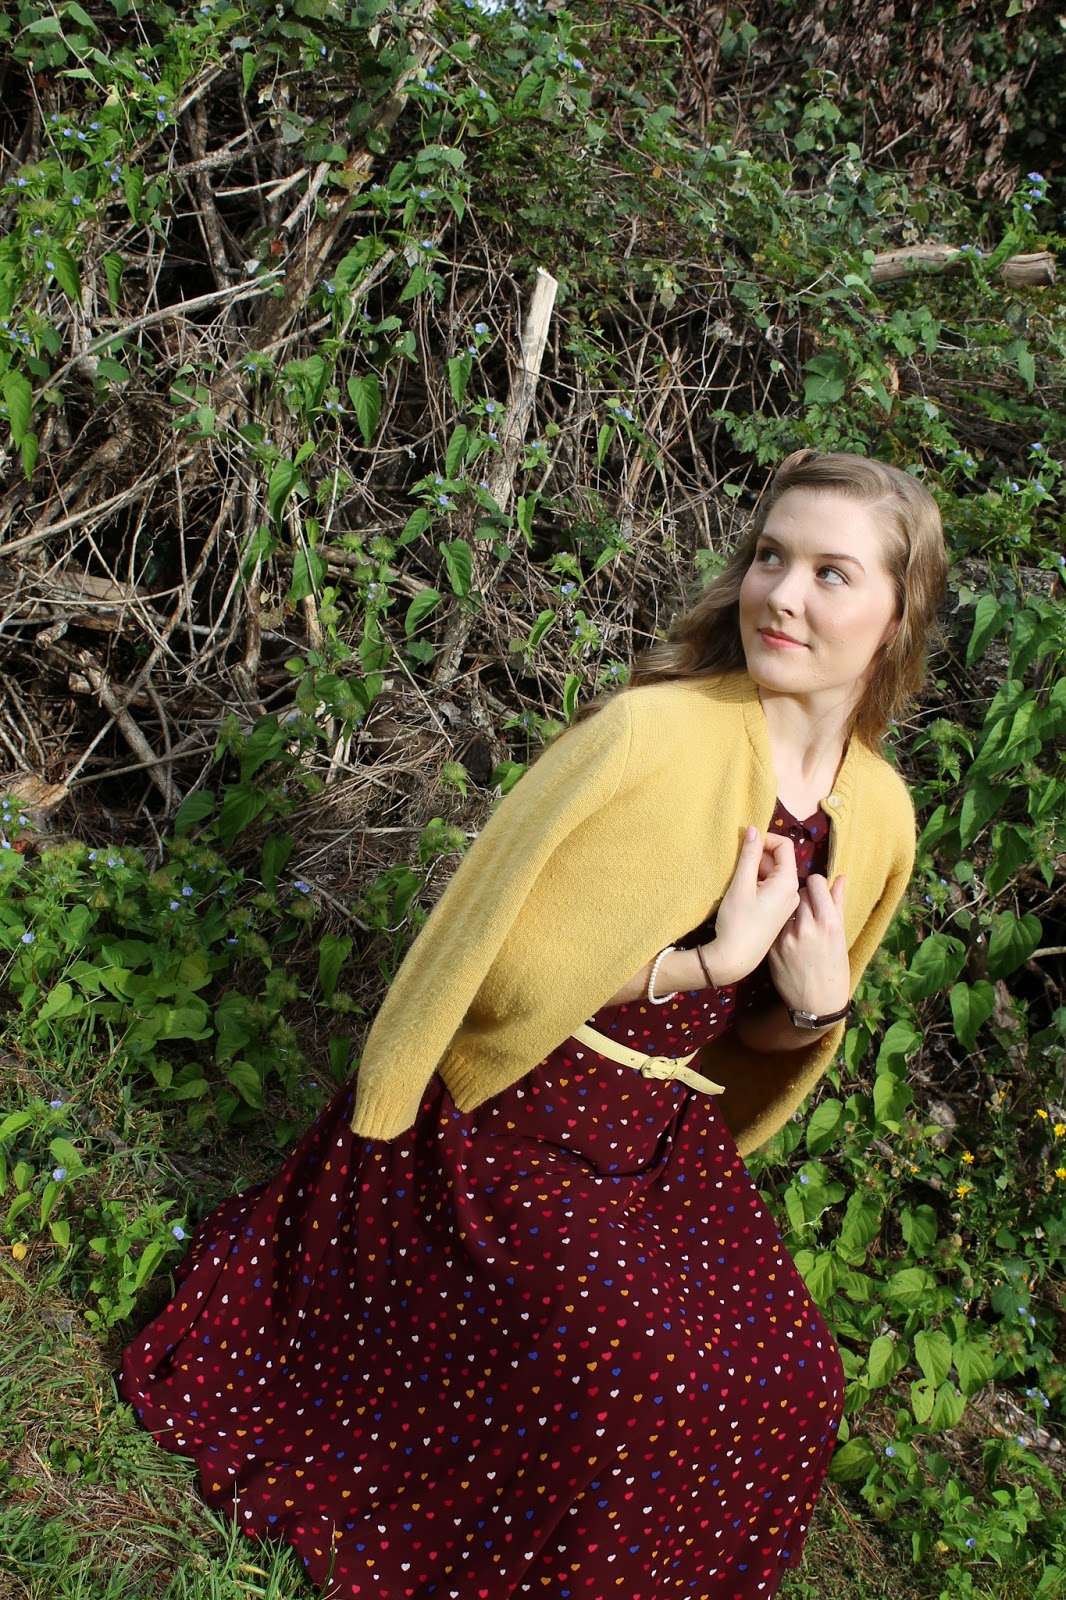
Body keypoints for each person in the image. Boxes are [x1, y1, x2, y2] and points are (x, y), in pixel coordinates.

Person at [120, 449, 947, 1600]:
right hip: (502, 1109)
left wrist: (816, 1005)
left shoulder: (881, 816)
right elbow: (498, 971)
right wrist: (704, 961)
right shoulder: (649, 737)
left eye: (830, 573)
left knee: (796, 1377)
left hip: (656, 1141)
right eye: (770, 556)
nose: (781, 594)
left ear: (897, 614)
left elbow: (760, 1040)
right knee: (640, 1380)